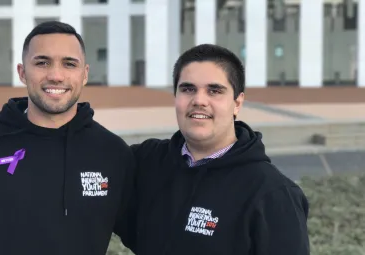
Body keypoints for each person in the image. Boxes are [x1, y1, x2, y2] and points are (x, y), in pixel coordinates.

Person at [0, 21, 134, 255]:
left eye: (69, 64)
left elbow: (154, 235)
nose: (56, 75)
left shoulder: (112, 154)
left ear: (84, 75)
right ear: (22, 72)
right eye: (42, 63)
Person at [120, 44, 310, 255]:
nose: (199, 100)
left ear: (237, 103)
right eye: (188, 89)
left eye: (214, 90)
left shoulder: (273, 194)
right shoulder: (146, 161)